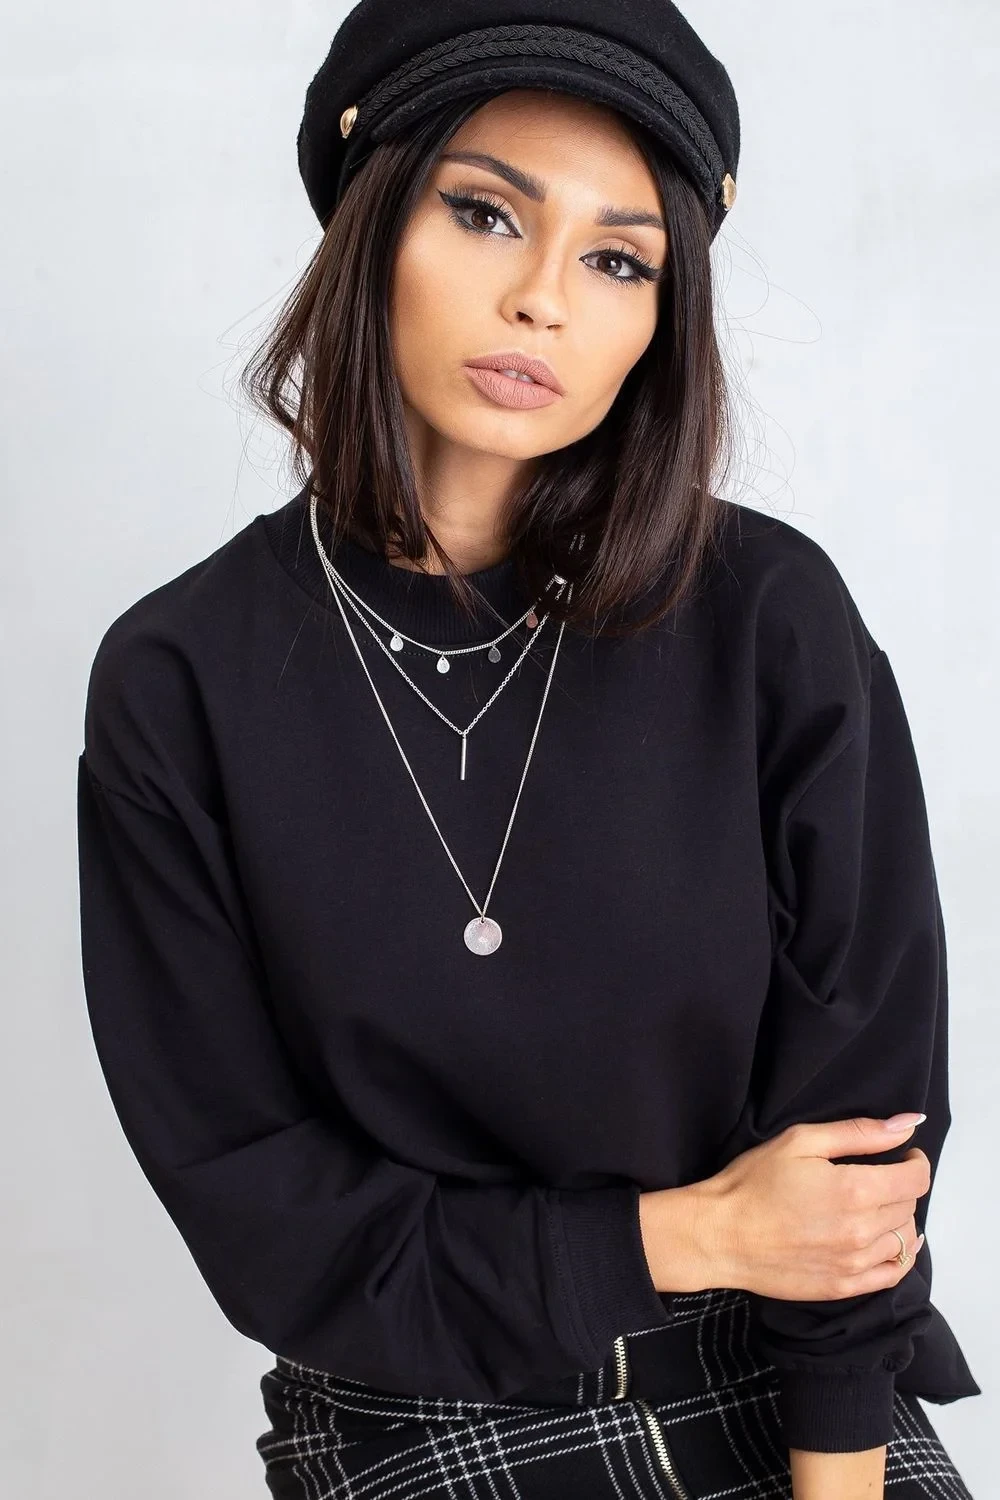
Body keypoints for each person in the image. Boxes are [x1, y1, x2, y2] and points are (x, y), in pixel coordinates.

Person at [75, 2, 982, 1497]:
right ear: (372, 222)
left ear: (661, 319)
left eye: (620, 259)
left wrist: (838, 1472)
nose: (544, 300)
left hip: (788, 1390)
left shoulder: (767, 616)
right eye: (487, 213)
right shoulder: (181, 682)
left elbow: (861, 1139)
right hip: (417, 1417)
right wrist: (688, 1233)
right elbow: (265, 1212)